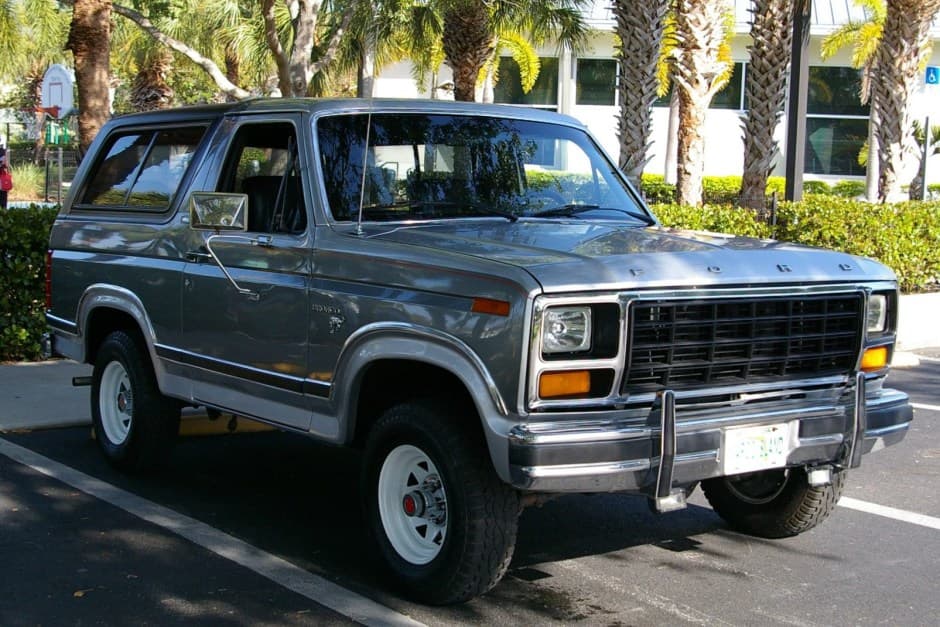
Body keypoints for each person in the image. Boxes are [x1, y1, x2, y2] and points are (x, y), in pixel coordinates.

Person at [0, 137, 8, 209]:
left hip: (1, 175)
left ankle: (3, 209)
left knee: (2, 193)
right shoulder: (3, 151)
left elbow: (5, 163)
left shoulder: (2, 151)